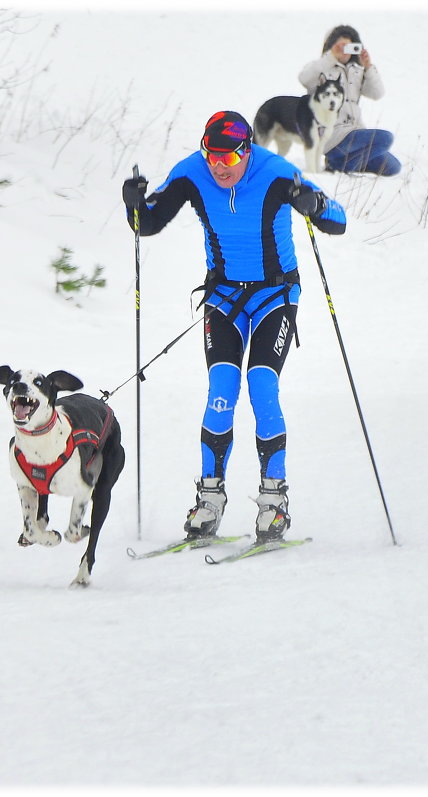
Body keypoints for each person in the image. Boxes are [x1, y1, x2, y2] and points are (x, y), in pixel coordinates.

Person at [121, 110, 347, 543]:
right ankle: (209, 500)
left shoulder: (278, 173)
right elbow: (146, 224)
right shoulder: (191, 173)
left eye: (228, 158)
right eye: (212, 157)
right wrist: (132, 203)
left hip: (274, 295)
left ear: (247, 151)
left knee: (262, 387)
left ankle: (273, 503)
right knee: (221, 389)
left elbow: (337, 220)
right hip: (224, 296)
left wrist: (313, 205)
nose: (219, 167)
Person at [299, 24, 402, 176]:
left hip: (355, 135)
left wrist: (368, 67)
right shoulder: (321, 67)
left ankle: (343, 163)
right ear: (331, 45)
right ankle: (340, 160)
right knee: (385, 139)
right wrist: (330, 57)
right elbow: (304, 79)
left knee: (392, 167)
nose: (345, 50)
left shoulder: (357, 71)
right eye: (341, 46)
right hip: (332, 135)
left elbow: (377, 93)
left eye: (350, 46)